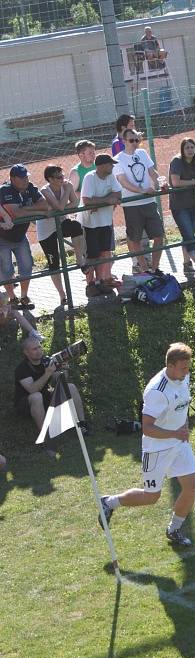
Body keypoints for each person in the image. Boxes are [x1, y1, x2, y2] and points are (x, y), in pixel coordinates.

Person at [98, 342, 195, 548]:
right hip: (157, 449)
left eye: (188, 367)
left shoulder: (183, 376)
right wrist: (175, 432)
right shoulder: (156, 391)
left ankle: (174, 530)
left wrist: (184, 427)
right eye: (183, 368)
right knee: (151, 496)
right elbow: (147, 427)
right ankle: (109, 502)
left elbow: (183, 405)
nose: (187, 372)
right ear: (170, 366)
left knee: (191, 488)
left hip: (179, 443)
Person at [14, 336, 88, 458]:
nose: (38, 350)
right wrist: (47, 373)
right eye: (34, 349)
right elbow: (32, 389)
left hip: (45, 399)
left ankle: (82, 425)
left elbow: (60, 381)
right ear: (26, 352)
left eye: (39, 347)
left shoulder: (47, 361)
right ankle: (47, 439)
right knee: (36, 396)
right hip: (26, 404)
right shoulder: (21, 369)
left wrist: (63, 369)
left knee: (70, 387)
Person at [113, 128, 167, 274]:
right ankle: (143, 268)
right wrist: (142, 190)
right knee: (135, 238)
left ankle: (155, 268)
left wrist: (160, 182)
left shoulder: (142, 153)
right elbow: (123, 181)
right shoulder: (117, 159)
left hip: (149, 201)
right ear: (123, 141)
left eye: (137, 140)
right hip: (131, 204)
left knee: (158, 235)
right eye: (131, 140)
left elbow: (152, 172)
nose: (135, 143)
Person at [36, 164, 89, 305]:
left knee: (76, 226)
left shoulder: (66, 186)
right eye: (58, 177)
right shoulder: (45, 190)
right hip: (46, 231)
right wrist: (68, 190)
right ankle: (62, 294)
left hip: (61, 223)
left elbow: (75, 203)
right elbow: (60, 206)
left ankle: (80, 260)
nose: (62, 179)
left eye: (62, 176)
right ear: (50, 179)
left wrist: (62, 205)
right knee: (54, 263)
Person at [0, 164, 48, 310]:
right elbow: (16, 213)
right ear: (13, 179)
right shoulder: (5, 190)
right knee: (6, 269)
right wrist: (35, 211)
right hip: (2, 239)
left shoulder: (30, 187)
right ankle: (12, 298)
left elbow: (44, 205)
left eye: (26, 176)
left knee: (26, 266)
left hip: (20, 236)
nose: (26, 180)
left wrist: (25, 209)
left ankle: (24, 296)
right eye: (22, 178)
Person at [168, 138, 195, 283]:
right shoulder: (176, 161)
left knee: (189, 235)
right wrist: (194, 181)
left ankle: (187, 264)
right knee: (189, 236)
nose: (190, 150)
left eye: (192, 147)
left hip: (193, 204)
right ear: (182, 149)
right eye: (187, 147)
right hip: (179, 206)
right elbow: (175, 182)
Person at [80, 154, 122, 297]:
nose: (112, 166)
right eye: (110, 164)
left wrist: (99, 201)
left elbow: (118, 194)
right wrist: (107, 200)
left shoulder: (111, 176)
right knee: (92, 255)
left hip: (105, 221)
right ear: (102, 166)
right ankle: (90, 284)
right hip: (90, 223)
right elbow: (86, 200)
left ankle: (102, 281)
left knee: (105, 252)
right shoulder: (90, 177)